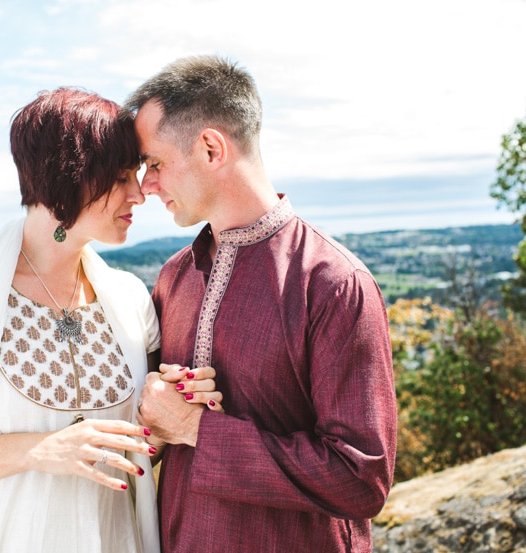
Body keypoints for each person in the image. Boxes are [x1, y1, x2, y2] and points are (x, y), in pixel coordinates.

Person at [0, 87, 213, 553]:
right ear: (69, 176)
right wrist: (35, 451)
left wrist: (173, 413)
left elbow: (140, 450)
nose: (140, 193)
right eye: (120, 177)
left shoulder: (132, 299)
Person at [127, 55, 398, 553]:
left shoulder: (334, 283)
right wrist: (160, 419)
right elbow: (151, 438)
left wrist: (196, 428)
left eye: (156, 164)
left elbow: (361, 480)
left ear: (211, 148)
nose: (147, 185)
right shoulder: (173, 278)